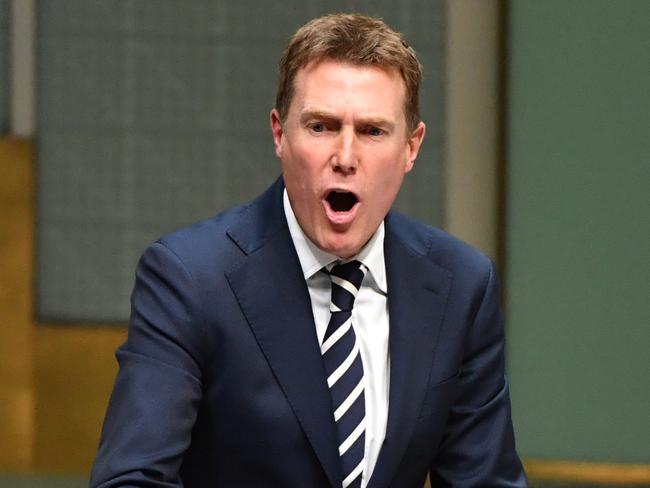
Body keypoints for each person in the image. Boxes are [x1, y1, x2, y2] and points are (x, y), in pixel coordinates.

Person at [91, 13, 527, 488]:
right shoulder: (190, 279)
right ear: (280, 134)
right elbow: (130, 480)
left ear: (411, 148)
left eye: (373, 131)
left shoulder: (461, 286)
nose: (345, 157)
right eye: (321, 126)